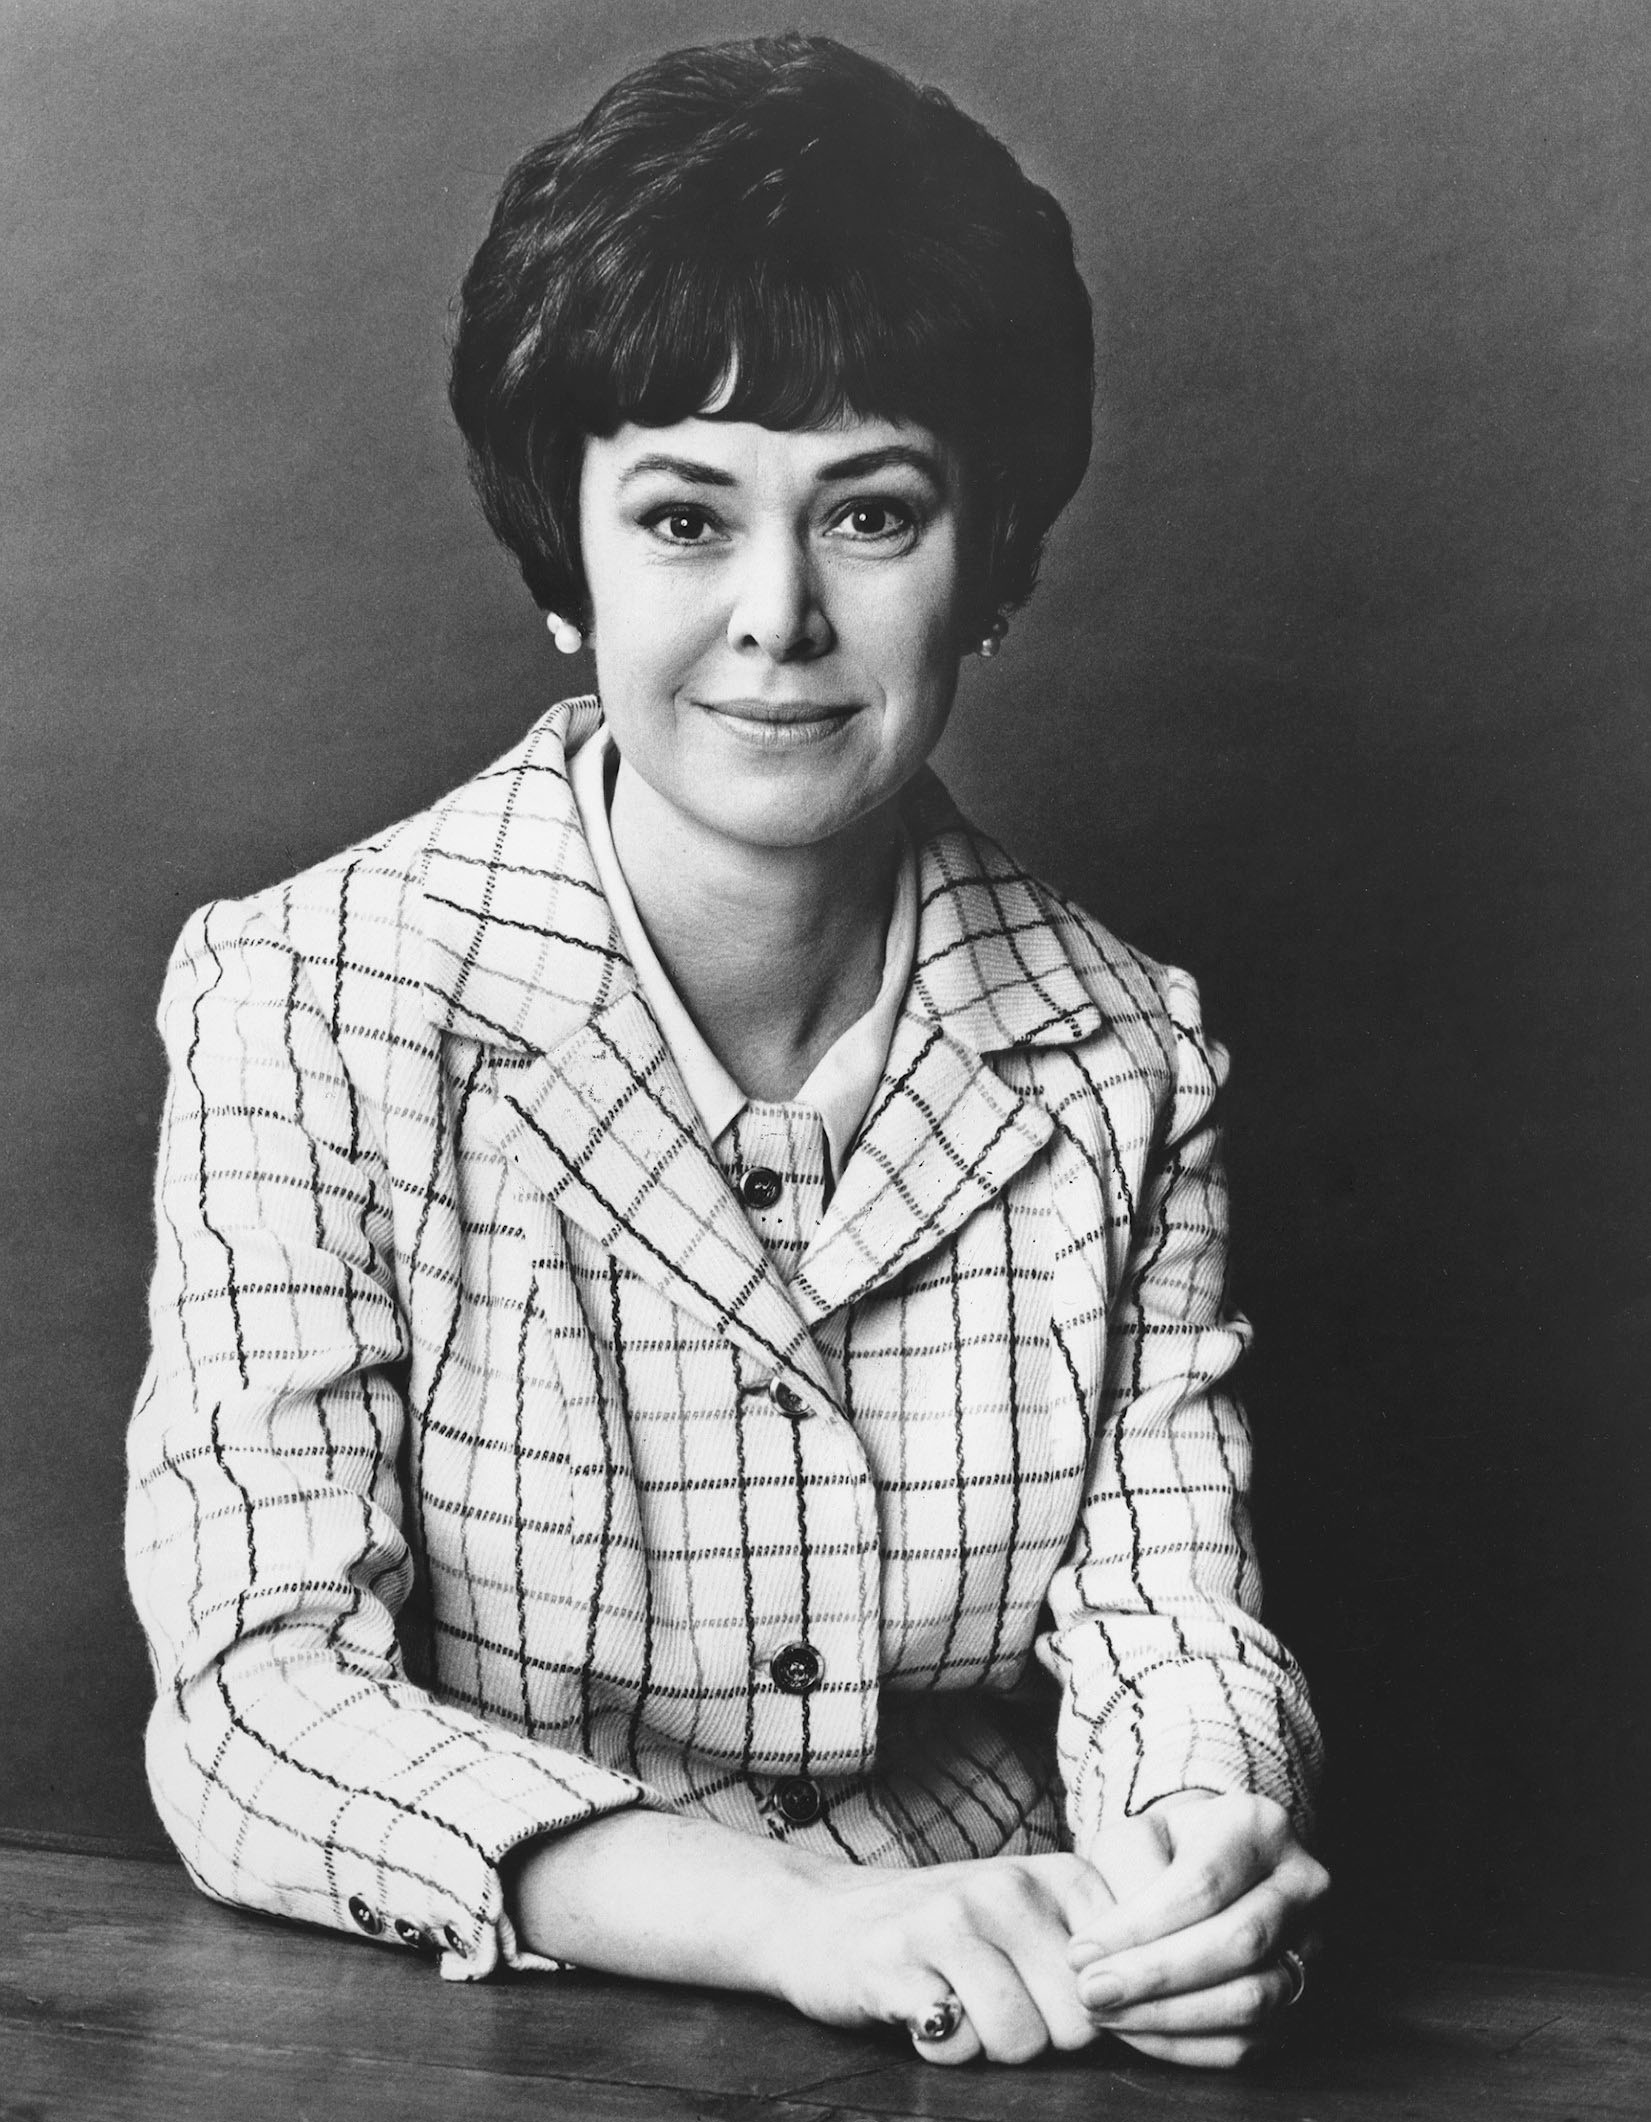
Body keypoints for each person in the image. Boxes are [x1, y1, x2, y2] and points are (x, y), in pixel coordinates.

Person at [126, 33, 1327, 2071]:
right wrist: (792, 1922)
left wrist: (1193, 1851)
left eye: (872, 512)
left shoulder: (1123, 1050)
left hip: (987, 2021)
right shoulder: (310, 992)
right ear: (567, 563)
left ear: (990, 560)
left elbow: (1169, 1619)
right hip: (482, 2041)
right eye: (685, 518)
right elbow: (257, 1698)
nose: (779, 612)